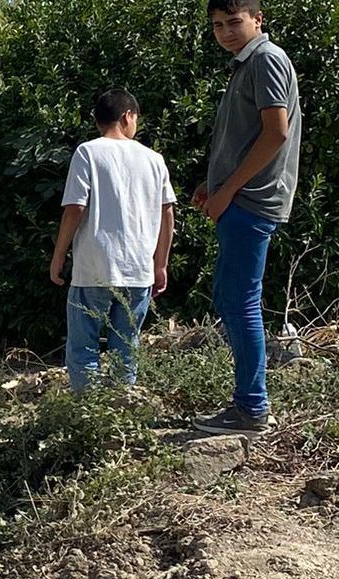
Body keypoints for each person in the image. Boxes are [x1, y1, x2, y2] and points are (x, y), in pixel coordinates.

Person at [191, 0, 301, 436]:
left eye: (234, 22)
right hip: (240, 197)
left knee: (240, 300)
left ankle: (252, 409)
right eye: (218, 25)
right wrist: (213, 184)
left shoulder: (266, 59)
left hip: (251, 201)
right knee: (231, 296)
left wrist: (230, 190)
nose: (226, 32)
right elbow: (247, 137)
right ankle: (247, 403)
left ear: (258, 19)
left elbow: (277, 133)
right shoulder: (245, 65)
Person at [49, 89, 176, 395]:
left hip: (93, 266)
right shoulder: (154, 159)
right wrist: (161, 264)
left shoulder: (88, 153)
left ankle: (90, 418)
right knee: (126, 351)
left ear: (97, 120)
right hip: (137, 270)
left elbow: (75, 209)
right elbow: (167, 214)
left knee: (83, 349)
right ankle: (121, 413)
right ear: (127, 116)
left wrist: (58, 257)